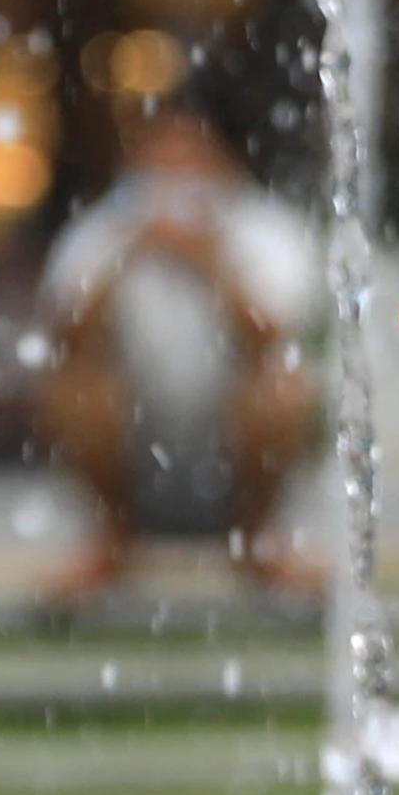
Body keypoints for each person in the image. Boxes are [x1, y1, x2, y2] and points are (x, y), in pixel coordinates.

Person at [31, 101, 324, 603]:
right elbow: (66, 336)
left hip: (233, 440)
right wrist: (129, 253)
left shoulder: (266, 230)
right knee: (73, 388)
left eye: (187, 159)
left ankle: (258, 538)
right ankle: (111, 535)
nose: (171, 178)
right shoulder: (105, 230)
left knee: (284, 389)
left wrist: (209, 261)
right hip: (139, 440)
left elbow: (275, 337)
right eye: (160, 159)